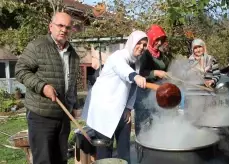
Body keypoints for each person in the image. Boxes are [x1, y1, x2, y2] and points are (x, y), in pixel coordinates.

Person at [15, 12, 80, 164]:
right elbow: (20, 70)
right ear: (51, 27)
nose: (64, 30)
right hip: (41, 115)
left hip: (64, 115)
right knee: (44, 160)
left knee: (61, 159)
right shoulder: (37, 46)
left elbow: (72, 83)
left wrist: (75, 104)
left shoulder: (73, 54)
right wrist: (42, 86)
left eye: (68, 27)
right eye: (60, 25)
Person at [81, 30, 148, 163]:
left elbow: (133, 87)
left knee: (124, 149)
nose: (141, 47)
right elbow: (123, 70)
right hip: (104, 108)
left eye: (144, 45)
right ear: (131, 43)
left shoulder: (136, 62)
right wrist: (135, 76)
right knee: (105, 151)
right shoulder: (118, 57)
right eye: (138, 43)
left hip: (121, 109)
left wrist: (129, 107)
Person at [134, 24, 171, 135]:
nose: (159, 43)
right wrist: (155, 73)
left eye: (161, 40)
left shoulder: (161, 55)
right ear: (150, 38)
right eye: (157, 39)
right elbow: (138, 73)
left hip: (158, 94)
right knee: (144, 122)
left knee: (157, 121)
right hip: (144, 94)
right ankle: (142, 146)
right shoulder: (144, 53)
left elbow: (166, 68)